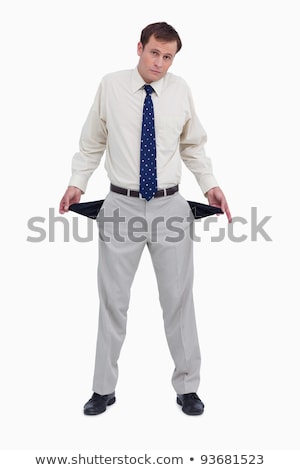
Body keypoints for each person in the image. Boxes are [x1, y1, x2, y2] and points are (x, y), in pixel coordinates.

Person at [59, 22, 231, 416]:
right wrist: (76, 184)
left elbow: (193, 146)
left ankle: (188, 387)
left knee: (178, 299)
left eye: (168, 57)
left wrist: (210, 187)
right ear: (139, 47)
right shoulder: (111, 86)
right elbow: (91, 142)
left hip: (171, 206)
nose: (160, 62)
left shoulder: (181, 90)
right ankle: (103, 389)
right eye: (155, 52)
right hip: (121, 206)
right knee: (113, 301)